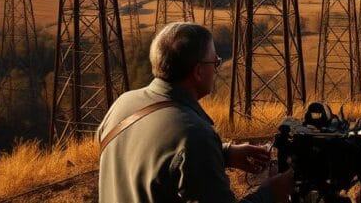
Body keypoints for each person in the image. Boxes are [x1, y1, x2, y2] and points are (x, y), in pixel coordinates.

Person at [98, 22, 294, 203]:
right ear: (199, 71)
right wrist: (270, 193)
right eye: (215, 62)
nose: (216, 69)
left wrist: (223, 154)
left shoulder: (122, 104)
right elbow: (183, 147)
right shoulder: (194, 135)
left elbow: (154, 158)